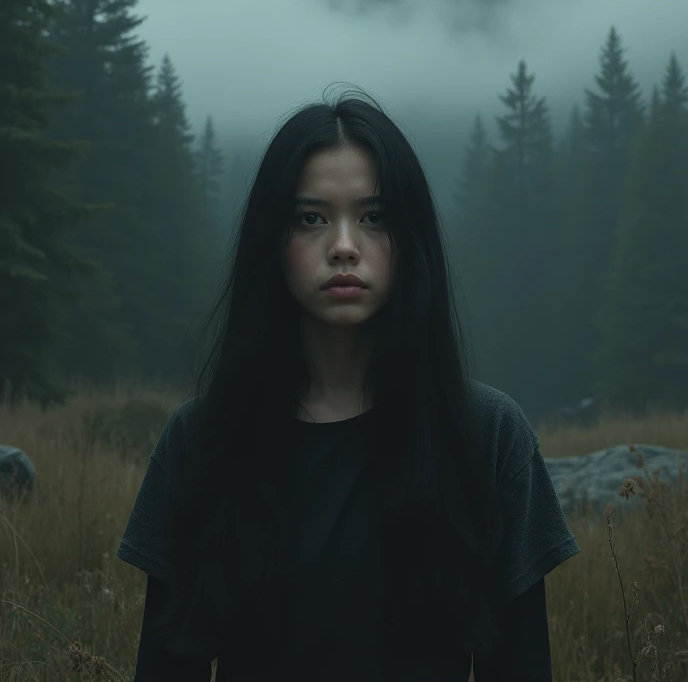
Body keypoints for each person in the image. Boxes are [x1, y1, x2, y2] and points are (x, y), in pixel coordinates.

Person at [117, 86, 580, 681]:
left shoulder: (487, 436)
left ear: (410, 240)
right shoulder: (201, 440)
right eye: (311, 218)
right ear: (272, 242)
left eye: (373, 218)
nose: (343, 247)